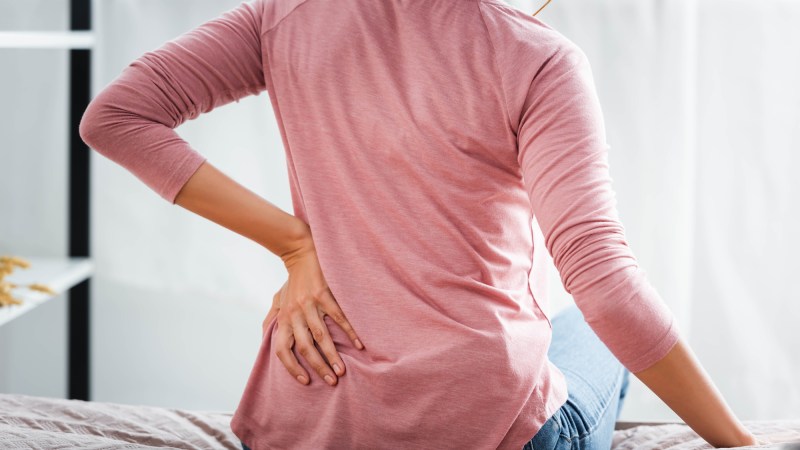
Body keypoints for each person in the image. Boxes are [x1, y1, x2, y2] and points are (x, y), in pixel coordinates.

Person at [78, 0, 758, 448]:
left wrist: (296, 246)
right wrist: (739, 445)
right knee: (589, 326)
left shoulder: (283, 15)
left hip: (304, 426)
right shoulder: (536, 58)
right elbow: (605, 285)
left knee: (563, 324)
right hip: (486, 427)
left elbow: (115, 118)